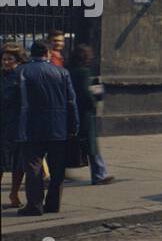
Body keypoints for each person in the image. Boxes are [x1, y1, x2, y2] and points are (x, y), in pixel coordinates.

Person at [17, 39, 78, 216]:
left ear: (31, 53)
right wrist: (73, 126)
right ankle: (53, 204)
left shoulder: (22, 71)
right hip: (58, 126)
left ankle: (34, 204)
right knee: (57, 168)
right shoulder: (62, 72)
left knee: (33, 166)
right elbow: (71, 102)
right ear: (48, 53)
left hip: (31, 126)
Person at [67, 44, 113, 185]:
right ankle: (99, 175)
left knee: (72, 142)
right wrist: (94, 102)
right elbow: (86, 93)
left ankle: (59, 171)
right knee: (92, 145)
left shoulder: (68, 70)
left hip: (71, 111)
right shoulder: (84, 72)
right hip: (85, 114)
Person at [1, 44, 26, 208]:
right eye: (3, 59)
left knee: (18, 163)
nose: (5, 62)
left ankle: (14, 193)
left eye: (9, 59)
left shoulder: (22, 77)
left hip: (17, 125)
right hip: (2, 125)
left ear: (18, 60)